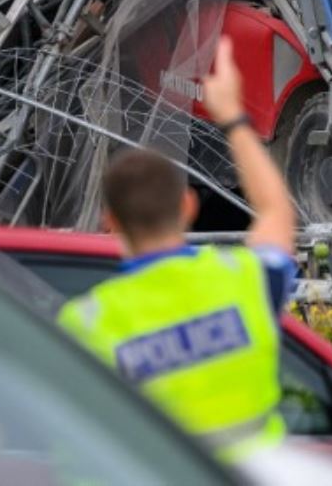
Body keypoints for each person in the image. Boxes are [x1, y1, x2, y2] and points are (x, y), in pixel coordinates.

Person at [59, 36, 299, 464]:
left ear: (108, 221)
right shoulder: (242, 279)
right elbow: (277, 211)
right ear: (189, 206)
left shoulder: (84, 326)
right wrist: (233, 119)